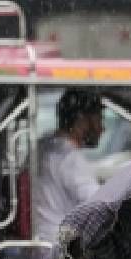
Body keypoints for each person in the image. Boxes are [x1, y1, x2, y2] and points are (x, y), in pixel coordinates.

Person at [35, 90, 104, 244]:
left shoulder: (43, 147)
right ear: (81, 120)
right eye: (99, 119)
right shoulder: (70, 159)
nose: (102, 128)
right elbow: (100, 205)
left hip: (41, 240)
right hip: (60, 249)